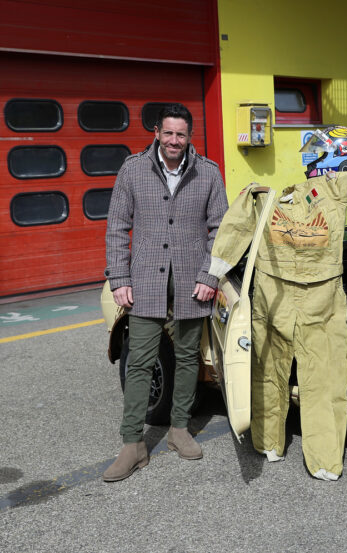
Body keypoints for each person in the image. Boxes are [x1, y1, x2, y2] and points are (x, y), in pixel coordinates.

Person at [208, 128, 347, 480]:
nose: (308, 156)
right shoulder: (343, 190)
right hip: (320, 300)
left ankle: (268, 444)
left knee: (268, 373)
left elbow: (233, 233)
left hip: (273, 296)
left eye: (314, 150)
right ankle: (324, 463)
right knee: (324, 382)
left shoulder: (264, 197)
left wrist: (216, 272)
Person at [102, 103, 228, 482]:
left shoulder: (207, 173)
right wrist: (119, 279)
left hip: (193, 283)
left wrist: (211, 276)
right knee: (140, 360)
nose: (175, 140)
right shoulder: (133, 169)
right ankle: (132, 445)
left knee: (189, 358)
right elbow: (116, 227)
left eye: (182, 134)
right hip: (145, 283)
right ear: (157, 132)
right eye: (168, 133)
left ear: (190, 137)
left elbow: (221, 229)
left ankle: (178, 430)